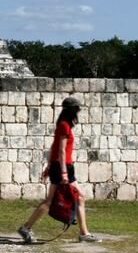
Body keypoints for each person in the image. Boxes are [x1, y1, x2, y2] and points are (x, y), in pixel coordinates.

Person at [17, 97, 102, 243]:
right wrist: (62, 172)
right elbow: (61, 150)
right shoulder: (64, 125)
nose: (79, 111)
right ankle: (26, 227)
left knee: (80, 197)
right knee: (50, 201)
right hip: (62, 167)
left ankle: (84, 233)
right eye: (77, 109)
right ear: (72, 110)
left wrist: (50, 166)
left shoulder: (64, 125)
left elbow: (53, 147)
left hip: (63, 166)